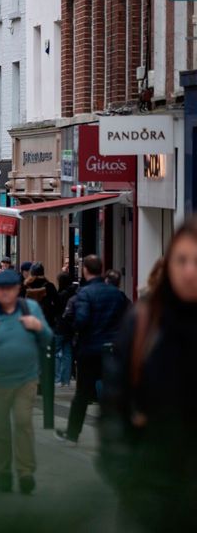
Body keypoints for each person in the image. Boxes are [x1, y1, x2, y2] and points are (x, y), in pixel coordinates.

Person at [99, 220, 197, 530]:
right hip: (149, 490)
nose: (190, 271)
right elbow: (114, 404)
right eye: (181, 260)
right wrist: (126, 474)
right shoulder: (144, 323)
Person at [0, 270, 52, 495]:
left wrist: (38, 327)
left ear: (18, 289)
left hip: (25, 379)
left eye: (10, 289)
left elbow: (49, 337)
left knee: (22, 422)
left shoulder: (31, 309)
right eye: (1, 289)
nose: (6, 293)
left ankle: (25, 471)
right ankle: (3, 471)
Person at [55, 254, 129, 445]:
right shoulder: (116, 294)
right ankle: (118, 432)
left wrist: (76, 330)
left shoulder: (85, 294)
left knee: (81, 395)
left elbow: (81, 320)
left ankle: (72, 433)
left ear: (85, 270)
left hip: (89, 349)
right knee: (113, 392)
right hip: (111, 349)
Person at [55, 271, 78, 387]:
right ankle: (66, 380)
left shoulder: (61, 295)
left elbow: (57, 310)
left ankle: (57, 378)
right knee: (67, 353)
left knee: (55, 351)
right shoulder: (74, 294)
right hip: (70, 327)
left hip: (60, 326)